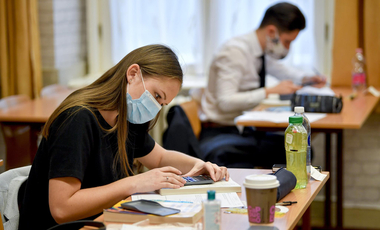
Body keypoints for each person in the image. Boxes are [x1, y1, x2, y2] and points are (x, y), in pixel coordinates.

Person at [18, 44, 229, 230]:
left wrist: (200, 164)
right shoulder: (77, 120)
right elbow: (62, 208)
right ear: (133, 74)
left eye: (161, 104)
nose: (155, 108)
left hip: (103, 219)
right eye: (156, 95)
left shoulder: (125, 117)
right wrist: (134, 183)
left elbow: (160, 158)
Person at [199, 2, 325, 167]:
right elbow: (225, 102)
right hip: (221, 132)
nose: (287, 48)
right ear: (272, 31)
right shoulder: (234, 52)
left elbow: (282, 70)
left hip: (243, 131)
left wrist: (307, 78)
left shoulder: (260, 51)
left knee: (301, 150)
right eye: (287, 42)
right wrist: (269, 91)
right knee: (295, 152)